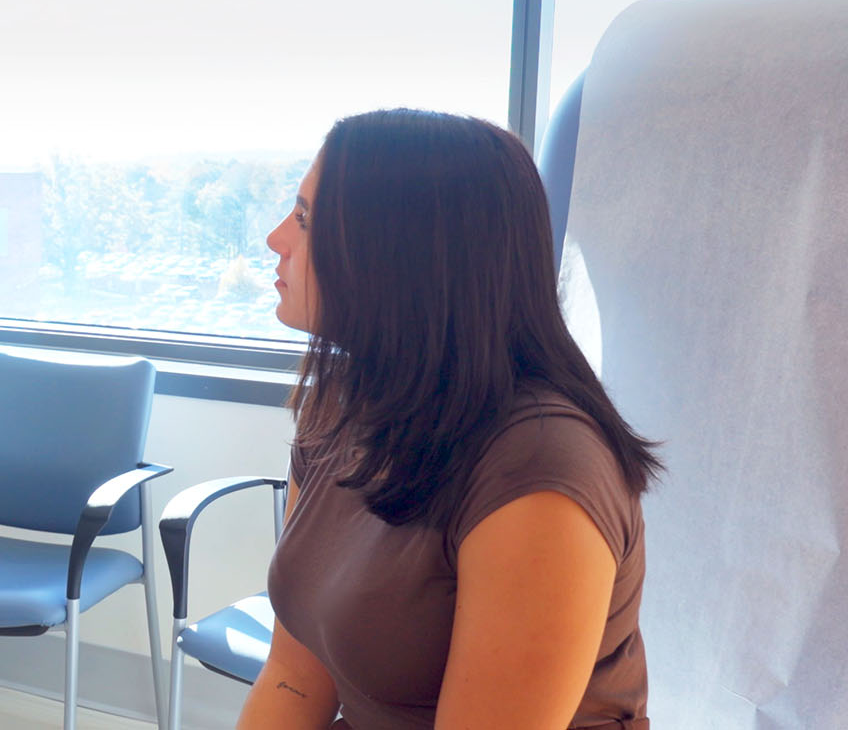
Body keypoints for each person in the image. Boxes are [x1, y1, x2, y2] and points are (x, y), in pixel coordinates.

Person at [243, 109, 659, 729]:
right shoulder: (344, 404)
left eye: (305, 219)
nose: (277, 238)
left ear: (399, 255)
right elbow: (295, 678)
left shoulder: (542, 471)